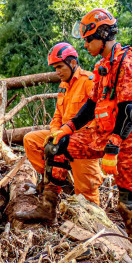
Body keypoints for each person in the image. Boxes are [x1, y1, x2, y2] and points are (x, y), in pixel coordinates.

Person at [24, 9, 132, 241]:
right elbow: (92, 104)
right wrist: (68, 128)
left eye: (88, 40)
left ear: (103, 35)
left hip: (129, 136)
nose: (85, 46)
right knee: (57, 145)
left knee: (128, 195)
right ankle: (48, 208)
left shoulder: (126, 61)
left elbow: (129, 111)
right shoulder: (103, 65)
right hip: (102, 132)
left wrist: (114, 145)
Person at [20, 42, 103, 215]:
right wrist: (55, 133)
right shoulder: (64, 87)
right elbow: (58, 116)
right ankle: (48, 202)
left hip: (85, 142)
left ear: (72, 63)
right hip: (64, 138)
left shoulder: (89, 81)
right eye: (55, 68)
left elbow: (99, 114)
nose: (57, 71)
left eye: (59, 67)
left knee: (87, 192)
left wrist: (71, 135)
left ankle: (93, 222)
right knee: (32, 140)